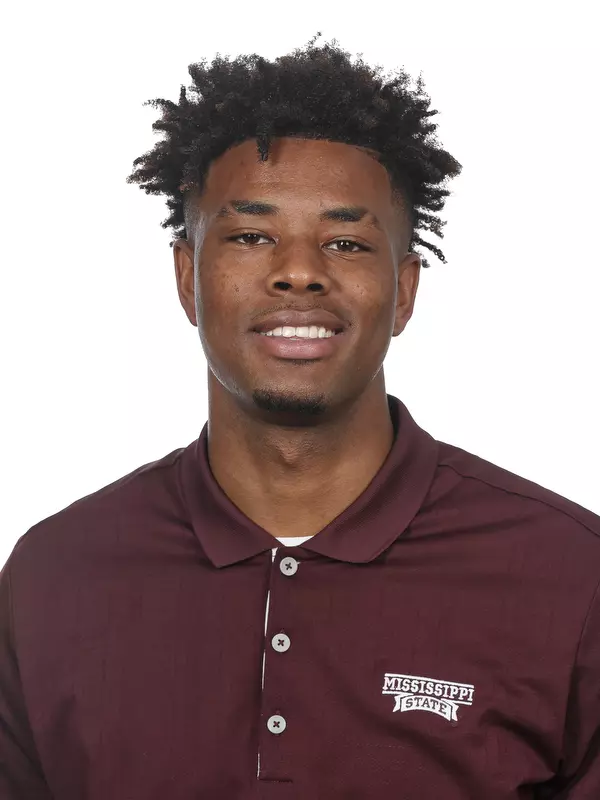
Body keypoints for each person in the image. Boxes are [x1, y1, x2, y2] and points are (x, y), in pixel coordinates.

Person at [1, 36, 599, 800]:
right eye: (251, 236)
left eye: (346, 241)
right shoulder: (55, 576)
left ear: (406, 290)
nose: (299, 271)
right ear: (187, 277)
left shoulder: (573, 579)